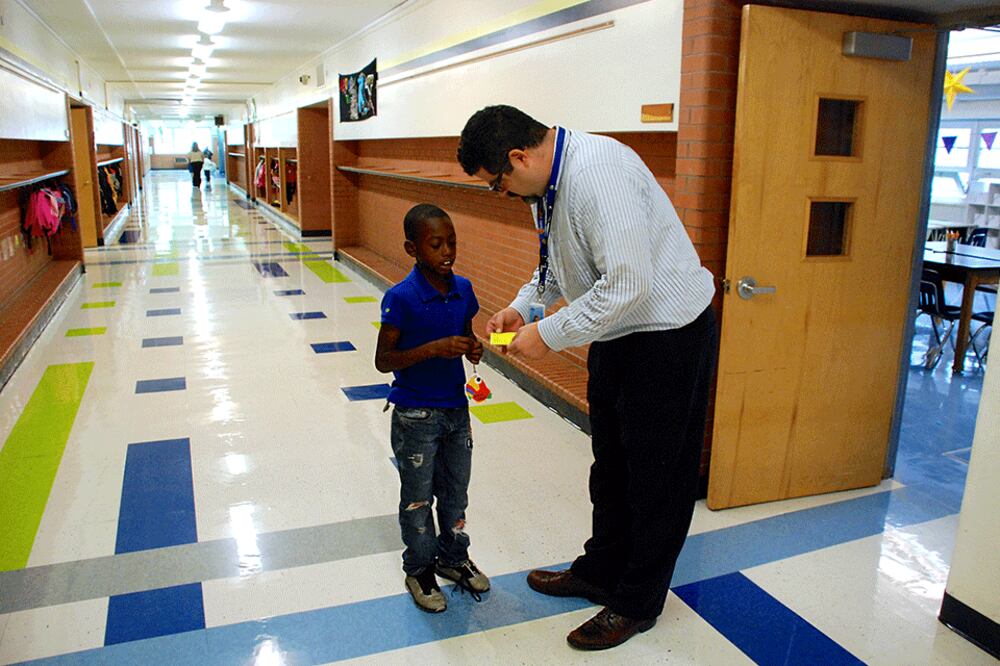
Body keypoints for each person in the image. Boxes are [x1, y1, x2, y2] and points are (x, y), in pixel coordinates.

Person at [457, 105, 718, 650]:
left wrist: (548, 335)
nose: (502, 193)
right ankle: (600, 571)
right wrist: (524, 310)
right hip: (620, 333)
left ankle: (636, 601)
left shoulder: (600, 175)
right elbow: (552, 265)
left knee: (656, 477)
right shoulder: (546, 186)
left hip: (666, 334)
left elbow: (627, 286)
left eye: (498, 182)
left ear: (518, 156)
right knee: (613, 464)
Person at [374, 203, 490, 613]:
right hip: (416, 415)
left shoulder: (464, 289)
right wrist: (432, 350)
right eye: (436, 244)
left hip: (456, 412)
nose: (447, 252)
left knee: (455, 495)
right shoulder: (401, 298)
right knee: (418, 500)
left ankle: (453, 557)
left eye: (452, 242)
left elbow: (465, 333)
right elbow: (383, 360)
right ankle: (419, 568)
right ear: (412, 248)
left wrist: (472, 347)